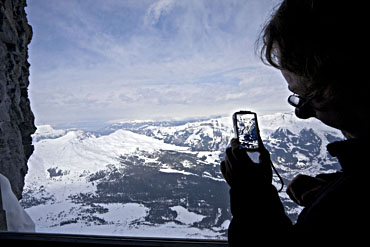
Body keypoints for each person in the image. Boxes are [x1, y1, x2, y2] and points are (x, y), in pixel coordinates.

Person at [221, 0, 369, 244]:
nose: (302, 114)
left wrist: (253, 197)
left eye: (310, 97)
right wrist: (332, 188)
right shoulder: (349, 197)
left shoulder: (342, 209)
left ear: (350, 87)